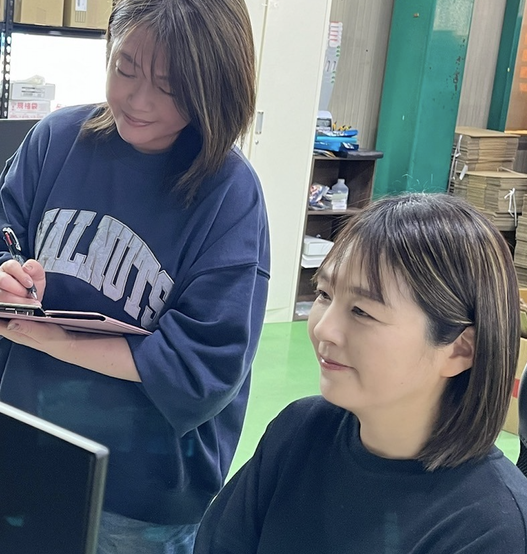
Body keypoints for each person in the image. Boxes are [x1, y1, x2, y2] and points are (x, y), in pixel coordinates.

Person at [0, 0, 270, 554]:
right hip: (26, 448)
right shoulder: (56, 141)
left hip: (142, 494)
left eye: (171, 87)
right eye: (125, 68)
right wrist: (2, 280)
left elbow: (203, 368)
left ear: (215, 88)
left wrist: (53, 340)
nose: (137, 99)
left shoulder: (228, 194)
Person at [193, 192, 527, 554]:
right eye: (324, 294)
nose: (324, 328)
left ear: (461, 349)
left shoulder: (493, 529)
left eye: (362, 311)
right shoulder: (299, 431)